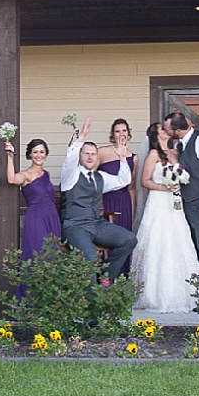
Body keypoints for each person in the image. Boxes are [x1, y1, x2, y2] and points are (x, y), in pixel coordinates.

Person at [133, 123, 199, 312]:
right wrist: (165, 187)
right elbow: (144, 181)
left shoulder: (175, 152)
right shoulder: (153, 155)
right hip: (158, 202)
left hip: (175, 203)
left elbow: (181, 173)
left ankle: (185, 292)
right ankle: (154, 294)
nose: (166, 130)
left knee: (178, 240)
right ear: (156, 135)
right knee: (159, 242)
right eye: (162, 129)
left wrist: (179, 182)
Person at [59, 115, 136, 279]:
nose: (90, 157)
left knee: (129, 239)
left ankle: (106, 279)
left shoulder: (100, 177)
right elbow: (70, 158)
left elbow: (124, 180)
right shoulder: (70, 175)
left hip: (96, 224)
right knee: (91, 256)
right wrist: (82, 137)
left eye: (93, 154)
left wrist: (122, 157)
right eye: (86, 153)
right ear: (80, 156)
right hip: (75, 226)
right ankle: (93, 300)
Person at [161, 110, 199, 280]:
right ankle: (195, 292)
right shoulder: (179, 145)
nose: (166, 132)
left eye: (168, 129)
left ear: (177, 130)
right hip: (186, 204)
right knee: (191, 248)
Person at [3, 138, 61, 260]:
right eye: (35, 152)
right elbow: (11, 179)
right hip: (36, 217)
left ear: (46, 154)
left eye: (42, 152)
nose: (38, 155)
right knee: (38, 250)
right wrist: (10, 156)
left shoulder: (47, 174)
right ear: (30, 154)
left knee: (52, 253)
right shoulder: (26, 175)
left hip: (51, 216)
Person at [96, 119, 137, 274]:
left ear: (129, 133)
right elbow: (92, 179)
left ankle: (122, 280)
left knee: (125, 240)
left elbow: (131, 188)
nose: (121, 134)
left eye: (124, 130)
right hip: (106, 200)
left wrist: (132, 213)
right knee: (107, 241)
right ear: (113, 134)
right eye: (118, 131)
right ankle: (106, 279)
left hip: (124, 202)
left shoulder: (133, 157)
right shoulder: (103, 152)